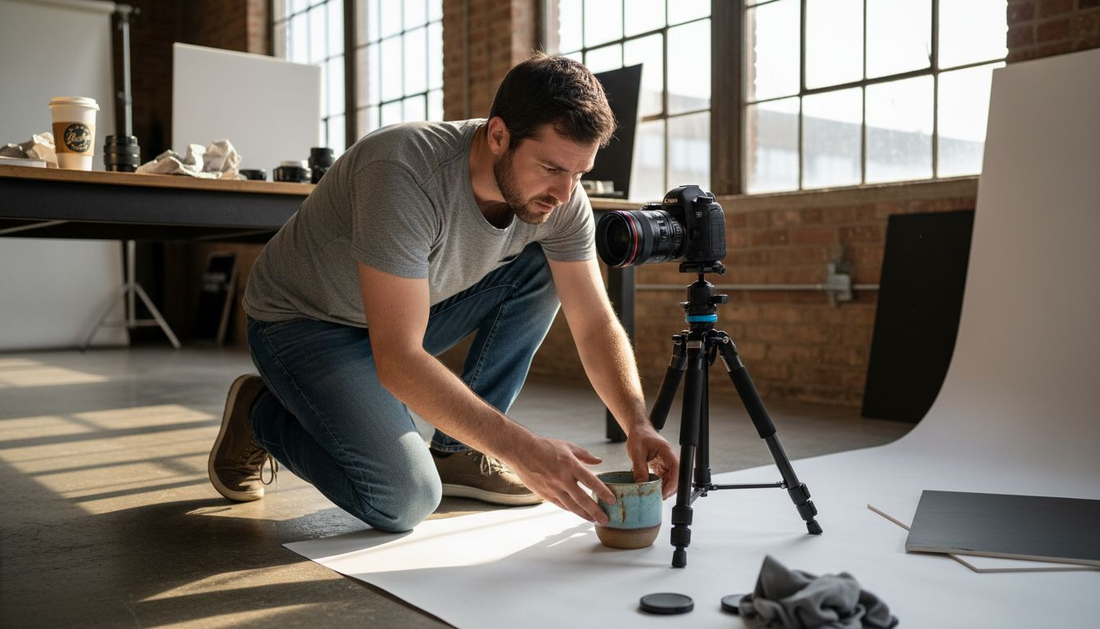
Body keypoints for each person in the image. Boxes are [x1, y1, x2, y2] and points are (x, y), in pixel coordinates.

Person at [207, 53, 678, 532]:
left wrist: (636, 422)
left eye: (579, 173)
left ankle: (460, 452)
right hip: (304, 324)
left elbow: (594, 321)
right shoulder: (403, 169)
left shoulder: (562, 200)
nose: (564, 193)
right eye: (552, 168)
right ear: (498, 136)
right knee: (403, 500)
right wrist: (521, 449)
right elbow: (398, 359)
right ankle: (261, 413)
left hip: (404, 315)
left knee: (543, 266)